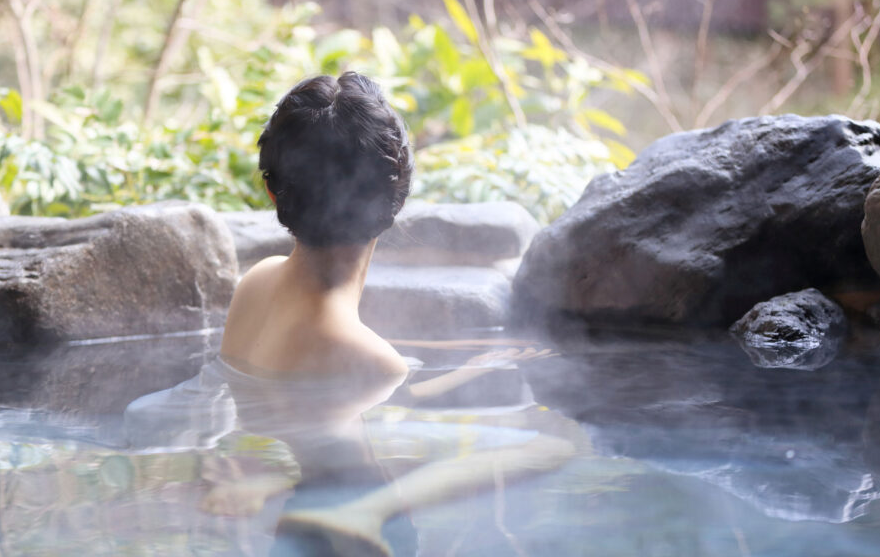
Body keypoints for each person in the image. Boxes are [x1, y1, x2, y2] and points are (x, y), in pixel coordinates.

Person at [126, 72, 580, 556]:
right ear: (397, 197)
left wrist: (472, 365)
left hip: (309, 475)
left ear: (274, 193)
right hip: (343, 497)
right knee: (554, 445)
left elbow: (324, 411)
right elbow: (374, 396)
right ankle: (370, 509)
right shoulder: (367, 355)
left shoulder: (257, 281)